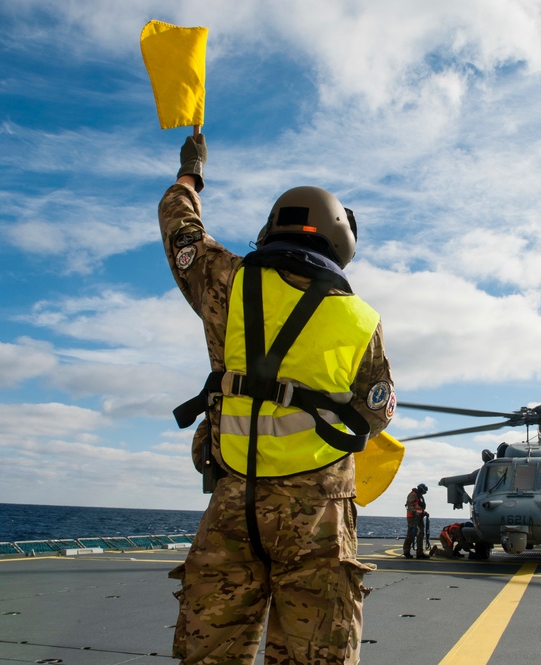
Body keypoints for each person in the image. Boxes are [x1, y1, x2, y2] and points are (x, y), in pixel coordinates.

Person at [160, 132, 395, 665]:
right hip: (316, 521)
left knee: (211, 651)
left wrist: (190, 175)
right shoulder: (361, 321)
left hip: (231, 507)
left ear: (271, 228)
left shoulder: (225, 280)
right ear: (341, 243)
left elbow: (180, 229)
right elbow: (377, 411)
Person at [402, 483, 429, 558]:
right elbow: (409, 505)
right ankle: (406, 551)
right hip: (412, 517)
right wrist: (414, 512)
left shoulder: (419, 496)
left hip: (419, 517)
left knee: (421, 534)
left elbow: (419, 507)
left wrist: (424, 513)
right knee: (411, 534)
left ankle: (420, 553)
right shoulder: (413, 495)